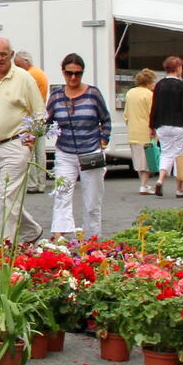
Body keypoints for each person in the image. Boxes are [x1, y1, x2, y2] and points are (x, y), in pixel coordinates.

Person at [0, 38, 46, 242]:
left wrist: (31, 139)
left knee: (8, 197)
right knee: (1, 196)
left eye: (4, 54)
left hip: (15, 143)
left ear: (11, 55)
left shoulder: (24, 78)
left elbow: (40, 113)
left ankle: (5, 246)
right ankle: (31, 230)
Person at [46, 53, 111, 238]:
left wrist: (103, 140)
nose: (73, 77)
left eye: (78, 73)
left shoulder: (93, 94)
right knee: (61, 196)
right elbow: (47, 121)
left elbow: (106, 120)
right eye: (69, 73)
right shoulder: (57, 96)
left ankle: (92, 240)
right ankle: (60, 240)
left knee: (92, 202)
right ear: (63, 72)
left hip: (91, 152)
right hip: (65, 152)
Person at [149, 56, 183, 198]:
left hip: (162, 126)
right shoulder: (181, 86)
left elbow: (154, 107)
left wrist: (152, 126)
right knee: (178, 156)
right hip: (179, 126)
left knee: (166, 153)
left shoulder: (159, 85)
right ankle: (179, 189)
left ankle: (160, 179)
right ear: (178, 68)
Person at [15, 52, 51, 193]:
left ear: (26, 62)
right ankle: (41, 183)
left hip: (31, 119)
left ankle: (31, 184)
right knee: (40, 152)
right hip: (40, 116)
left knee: (29, 151)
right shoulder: (38, 72)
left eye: (18, 65)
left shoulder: (30, 75)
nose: (17, 68)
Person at [124, 69, 158, 195]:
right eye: (153, 81)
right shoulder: (149, 95)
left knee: (138, 160)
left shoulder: (130, 93)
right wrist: (154, 129)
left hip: (133, 130)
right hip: (146, 130)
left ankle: (143, 184)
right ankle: (144, 185)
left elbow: (126, 114)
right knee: (148, 159)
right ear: (148, 82)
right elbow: (152, 114)